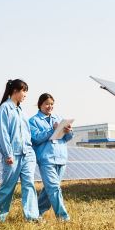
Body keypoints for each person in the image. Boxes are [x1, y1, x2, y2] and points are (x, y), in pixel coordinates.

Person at [0, 79, 40, 222]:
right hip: (13, 155)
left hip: (28, 154)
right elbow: (3, 133)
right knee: (7, 186)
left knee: (29, 184)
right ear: (15, 91)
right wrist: (8, 154)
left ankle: (32, 217)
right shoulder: (4, 108)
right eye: (24, 91)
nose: (25, 95)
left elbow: (27, 133)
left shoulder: (21, 111)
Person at [29, 93, 73, 221]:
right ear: (40, 105)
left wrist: (68, 131)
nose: (50, 106)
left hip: (61, 157)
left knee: (49, 190)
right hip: (46, 159)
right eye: (47, 104)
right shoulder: (33, 121)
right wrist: (52, 131)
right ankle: (63, 217)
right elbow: (36, 138)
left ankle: (35, 214)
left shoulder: (59, 118)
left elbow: (68, 138)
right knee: (54, 188)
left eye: (52, 104)